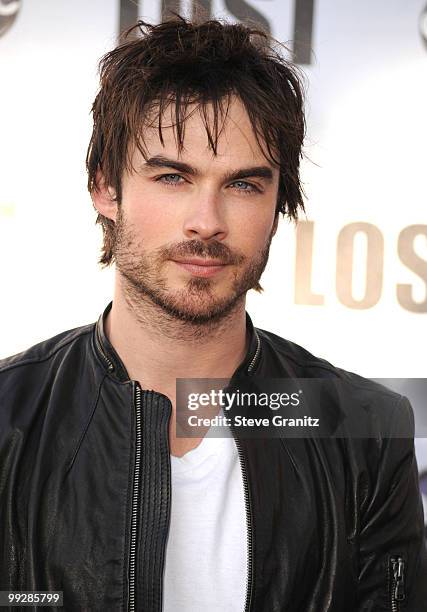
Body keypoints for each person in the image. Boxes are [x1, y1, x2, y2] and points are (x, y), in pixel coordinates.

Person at [0, 14, 426, 612]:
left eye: (245, 185)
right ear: (105, 187)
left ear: (279, 203)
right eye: (173, 177)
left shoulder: (363, 432)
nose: (208, 221)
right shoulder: (7, 421)